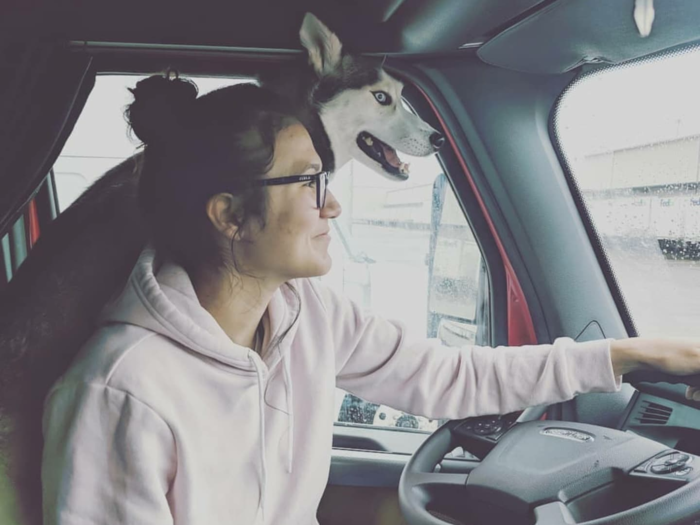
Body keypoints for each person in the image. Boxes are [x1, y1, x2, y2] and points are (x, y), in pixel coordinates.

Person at [41, 74, 700, 525]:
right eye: (308, 183)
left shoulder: (307, 312)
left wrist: (627, 353)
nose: (331, 204)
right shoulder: (120, 389)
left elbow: (451, 377)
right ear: (229, 215)